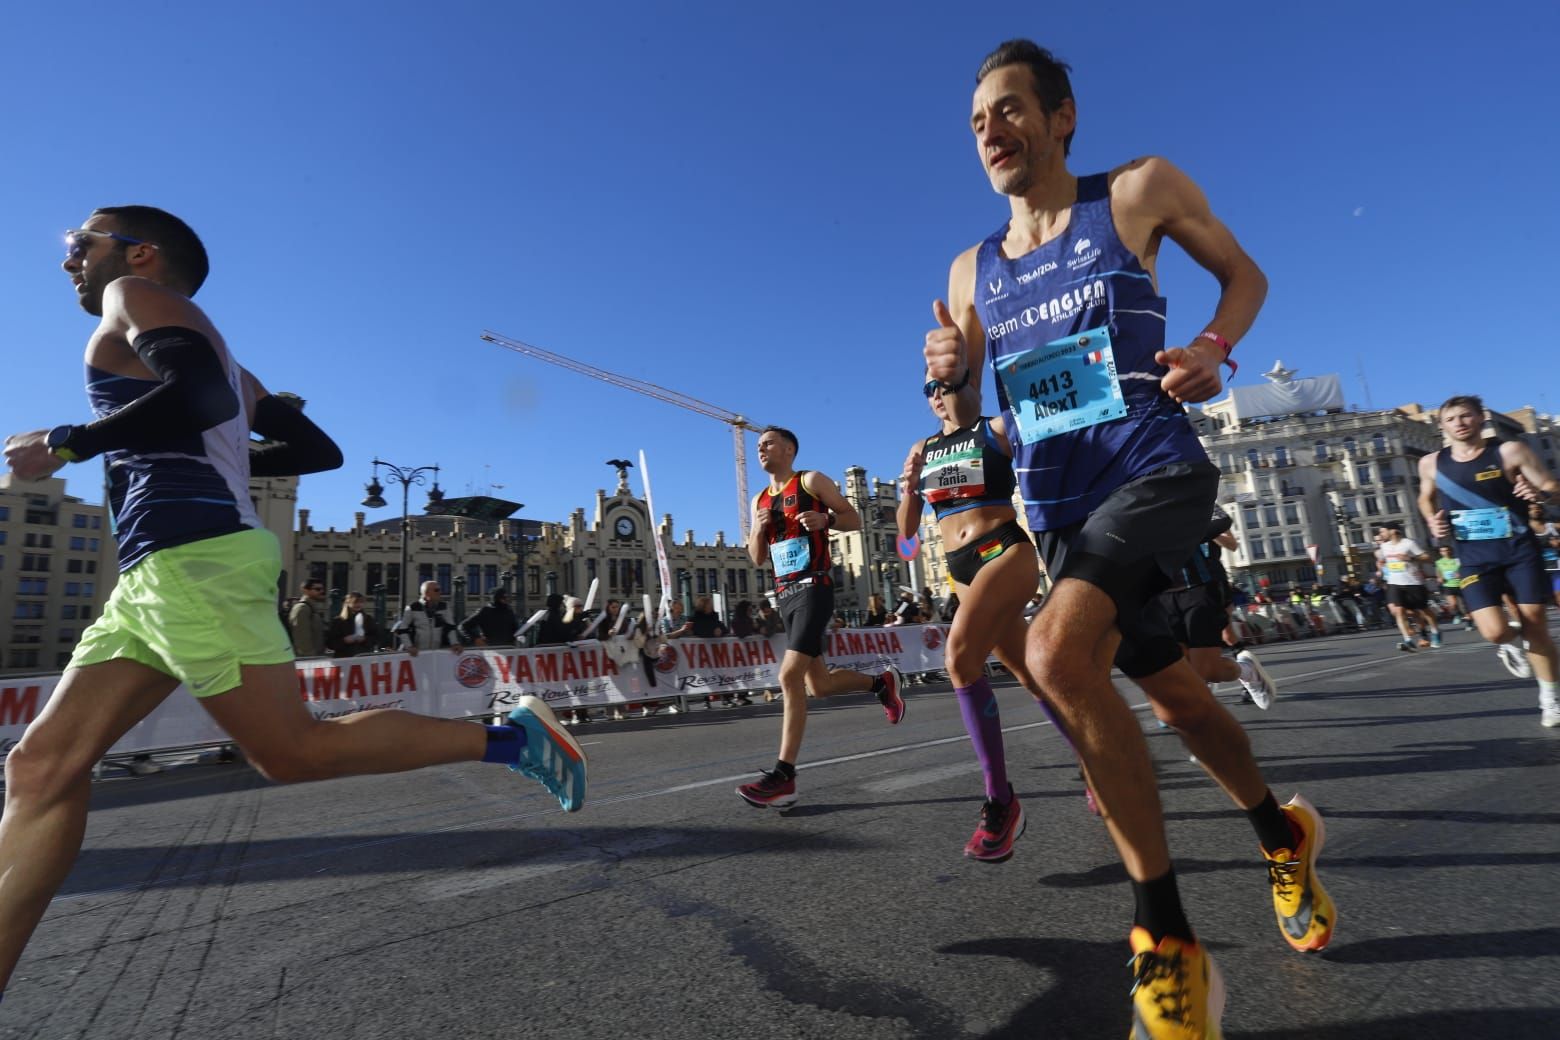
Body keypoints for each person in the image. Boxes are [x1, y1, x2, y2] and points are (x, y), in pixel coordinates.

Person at [0, 206, 585, 999]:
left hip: (190, 557)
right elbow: (318, 450)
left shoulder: (133, 295)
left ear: (138, 252)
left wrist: (69, 440)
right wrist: (231, 452)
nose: (68, 260)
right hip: (156, 572)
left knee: (292, 752)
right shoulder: (240, 370)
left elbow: (198, 397)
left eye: (78, 244)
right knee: (41, 766)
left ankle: (514, 741)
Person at [922, 43, 1332, 1037]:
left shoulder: (1138, 192)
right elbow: (967, 402)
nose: (992, 131)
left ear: (1062, 118)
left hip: (1153, 471)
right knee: (1185, 703)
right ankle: (1283, 834)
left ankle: (1165, 938)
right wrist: (945, 369)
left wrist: (1209, 349)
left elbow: (1244, 275)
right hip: (1062, 514)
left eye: (1011, 110)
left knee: (1056, 651)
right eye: (979, 120)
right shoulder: (973, 267)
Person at [897, 374, 1078, 861]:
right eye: (927, 388)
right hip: (961, 571)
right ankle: (1094, 758)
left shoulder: (995, 429)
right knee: (1032, 675)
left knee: (959, 659)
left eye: (945, 384)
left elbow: (1055, 441)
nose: (935, 394)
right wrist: (910, 487)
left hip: (1002, 548)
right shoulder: (924, 447)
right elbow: (907, 537)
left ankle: (1001, 800)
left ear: (971, 386)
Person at [736, 427, 904, 810]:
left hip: (814, 586)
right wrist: (759, 530)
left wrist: (825, 520)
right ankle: (881, 683)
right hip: (784, 595)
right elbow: (756, 557)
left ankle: (784, 776)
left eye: (768, 443)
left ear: (790, 449)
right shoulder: (760, 499)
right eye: (758, 445)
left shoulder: (809, 481)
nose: (760, 448)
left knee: (787, 676)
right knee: (820, 686)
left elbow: (854, 520)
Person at [1418, 395, 1560, 726]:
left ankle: (1550, 699)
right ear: (1442, 426)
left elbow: (1552, 486)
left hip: (1518, 548)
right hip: (1473, 555)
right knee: (1494, 631)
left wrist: (1539, 494)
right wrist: (1432, 521)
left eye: (1466, 416)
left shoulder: (1510, 451)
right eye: (1451, 419)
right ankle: (1509, 643)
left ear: (1481, 419)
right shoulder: (1430, 463)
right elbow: (1425, 499)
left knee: (1535, 622)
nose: (1459, 423)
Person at [1157, 507, 1277, 709]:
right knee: (1178, 660)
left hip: (1205, 583)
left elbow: (1230, 541)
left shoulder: (1191, 502)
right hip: (1162, 593)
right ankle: (1200, 685)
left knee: (1226, 636)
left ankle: (1245, 673)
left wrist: (1201, 532)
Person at [1374, 526, 1441, 650]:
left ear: (1393, 530)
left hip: (1413, 582)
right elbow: (1382, 560)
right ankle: (1408, 640)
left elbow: (1427, 557)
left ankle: (1435, 632)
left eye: (1383, 531)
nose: (1380, 534)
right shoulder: (1384, 546)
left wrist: (1410, 558)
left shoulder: (1409, 543)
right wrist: (1380, 566)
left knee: (1424, 610)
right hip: (1394, 583)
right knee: (1398, 611)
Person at [393, 581, 466, 656]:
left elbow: (451, 627)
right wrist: (409, 646)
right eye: (436, 590)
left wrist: (454, 643)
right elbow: (402, 630)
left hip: (435, 653)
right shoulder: (412, 607)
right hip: (415, 653)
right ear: (426, 593)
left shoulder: (444, 607)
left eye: (440, 590)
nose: (439, 592)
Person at [327, 591, 381, 658]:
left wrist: (365, 639)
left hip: (364, 657)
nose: (358, 604)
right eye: (355, 602)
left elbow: (377, 638)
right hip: (344, 658)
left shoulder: (368, 619)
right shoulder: (338, 621)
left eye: (361, 602)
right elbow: (330, 643)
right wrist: (344, 641)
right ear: (347, 603)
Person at [287, 579, 328, 657]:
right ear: (305, 590)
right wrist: (311, 657)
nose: (322, 592)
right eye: (317, 589)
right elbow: (302, 638)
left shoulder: (311, 608)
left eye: (322, 589)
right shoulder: (302, 608)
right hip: (307, 660)